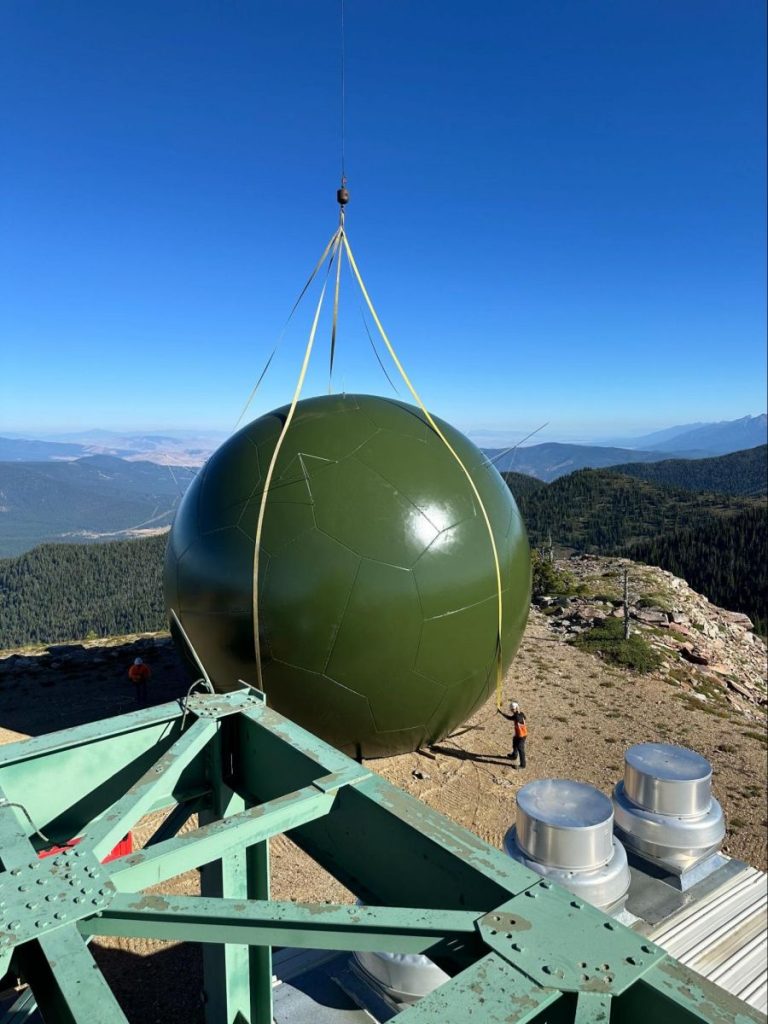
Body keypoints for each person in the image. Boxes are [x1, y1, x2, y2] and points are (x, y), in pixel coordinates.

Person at [498, 700, 528, 768]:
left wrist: (517, 713)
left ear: (516, 708)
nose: (512, 711)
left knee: (520, 749)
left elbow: (518, 718)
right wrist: (501, 713)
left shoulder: (517, 716)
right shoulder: (519, 714)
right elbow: (510, 718)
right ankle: (514, 755)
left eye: (513, 709)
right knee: (514, 742)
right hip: (518, 734)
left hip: (522, 735)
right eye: (511, 709)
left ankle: (523, 765)